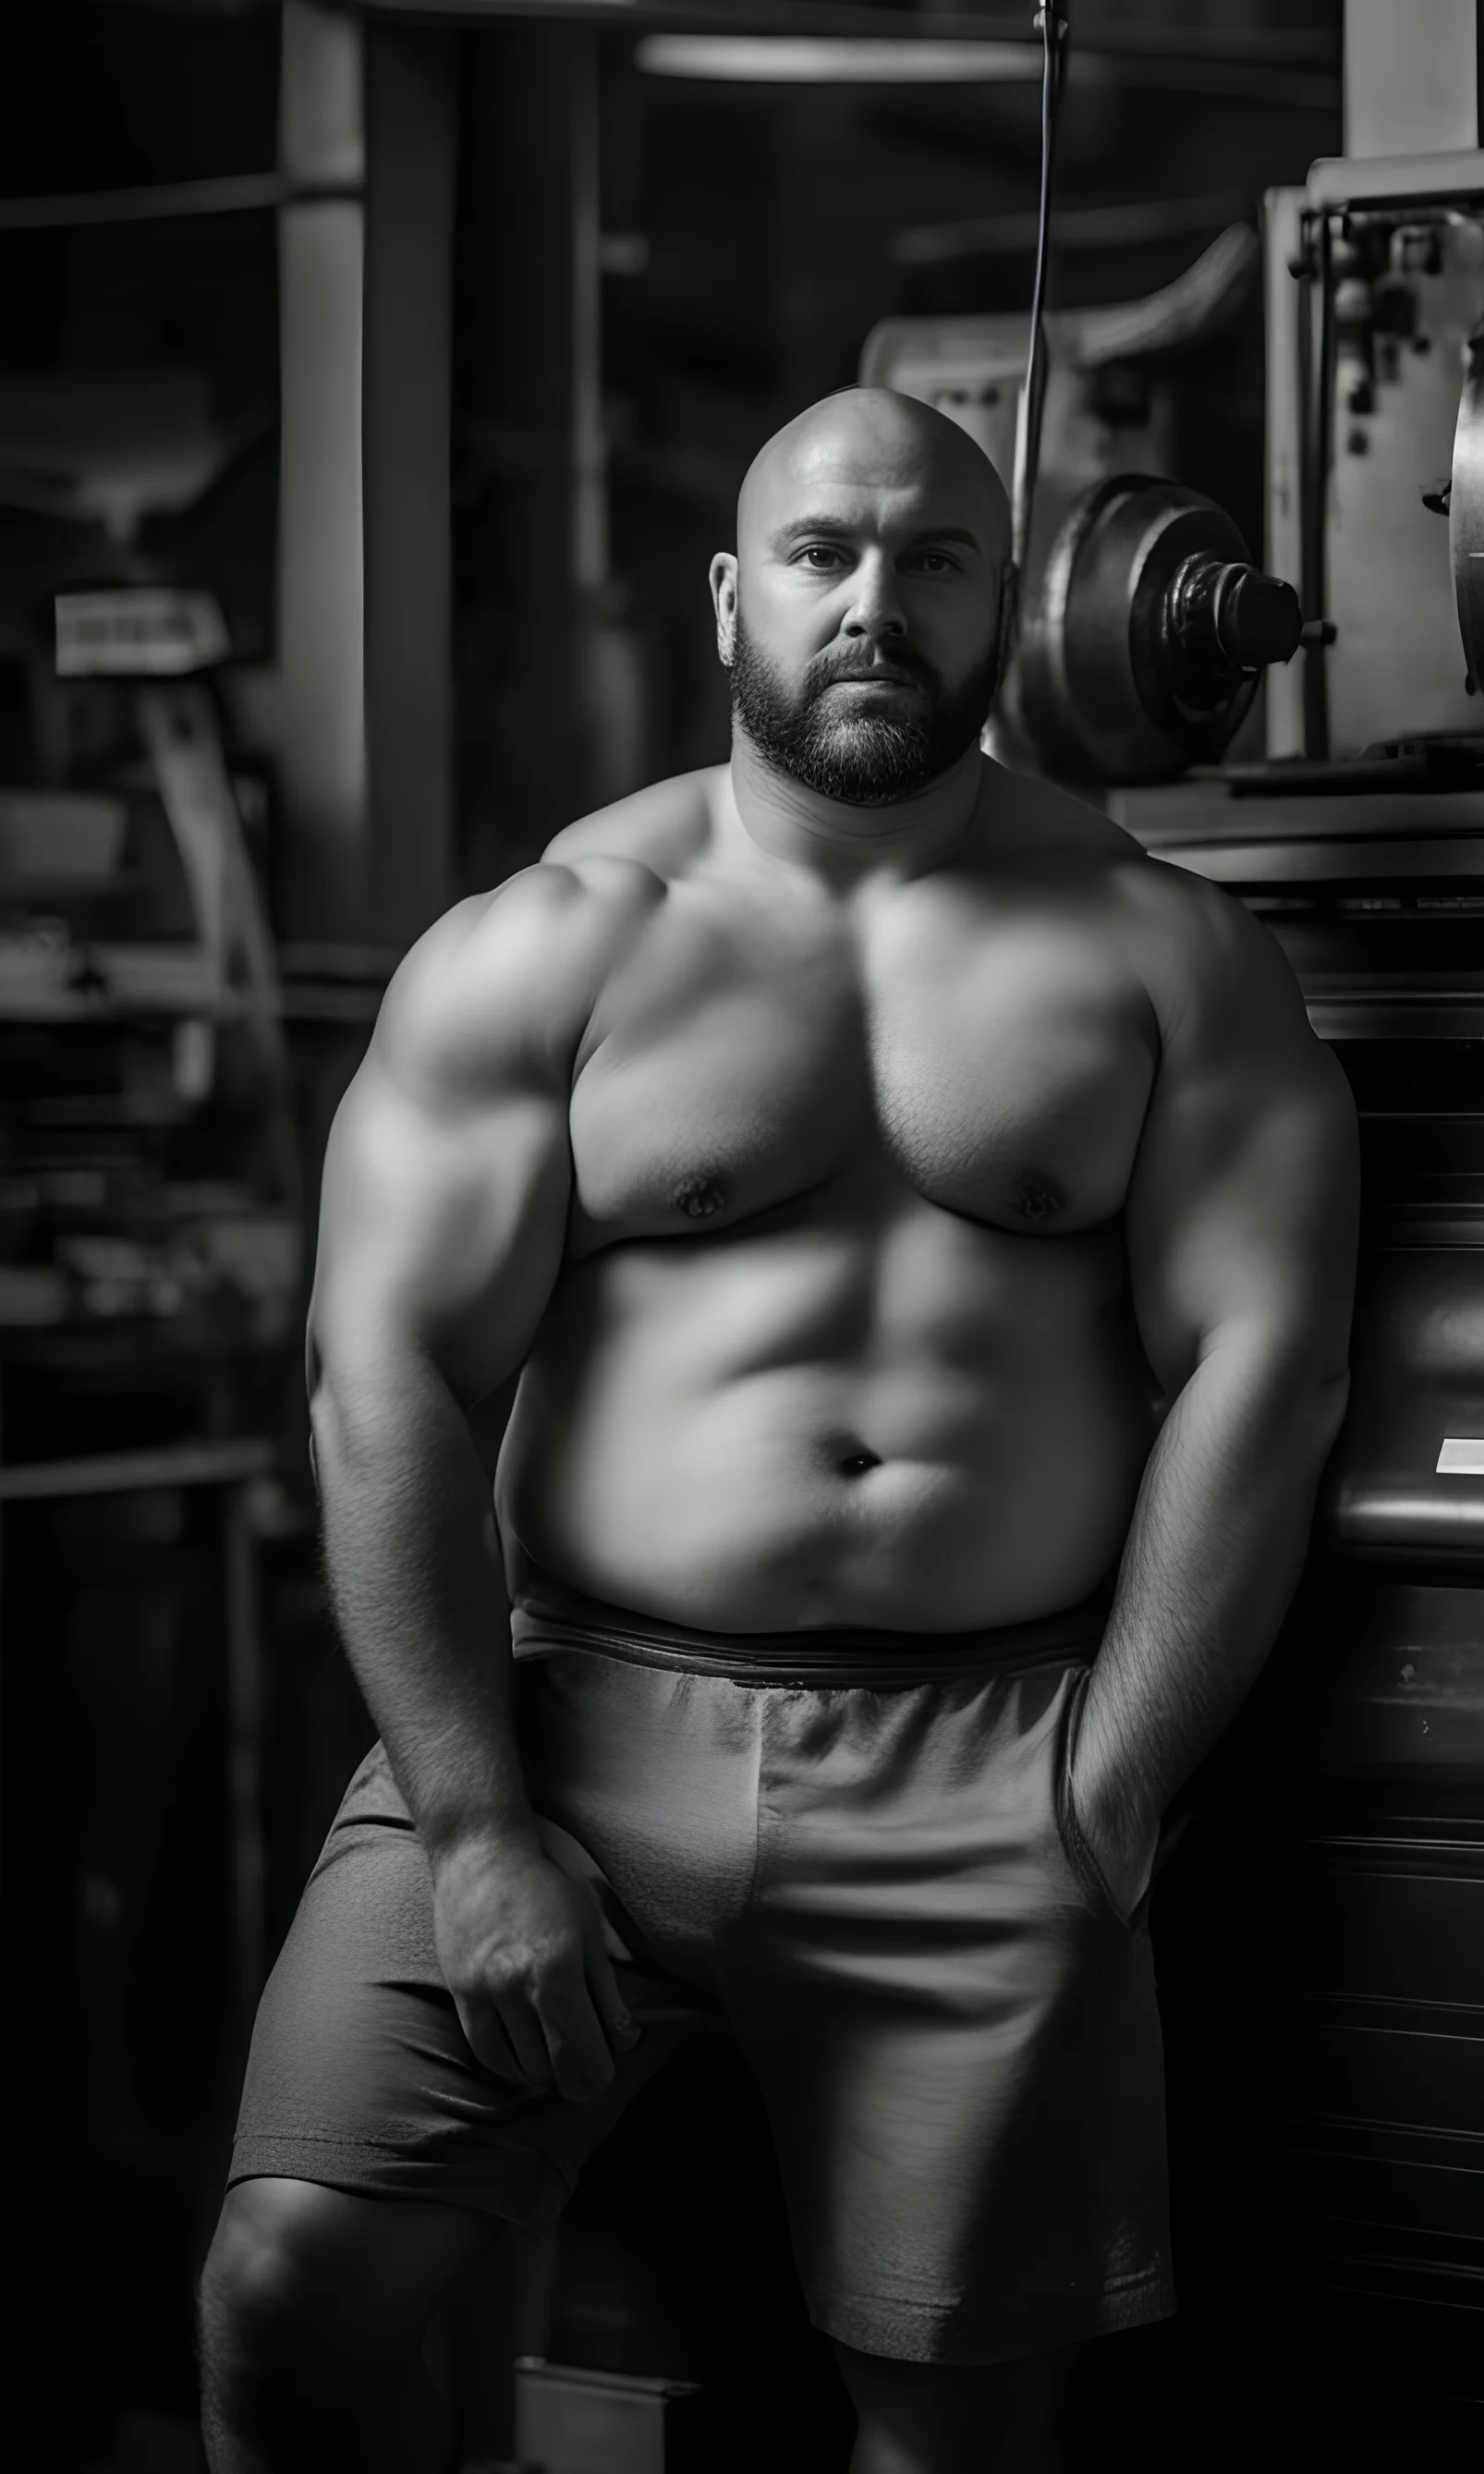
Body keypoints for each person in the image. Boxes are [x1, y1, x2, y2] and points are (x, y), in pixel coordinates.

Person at [199, 384, 1357, 2474]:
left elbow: (1262, 1369)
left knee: (955, 2440)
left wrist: (1112, 1787)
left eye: (931, 562)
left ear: (1001, 603)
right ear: (736, 589)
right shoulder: (558, 942)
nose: (873, 605)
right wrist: (470, 1822)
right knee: (285, 2296)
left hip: (985, 1750)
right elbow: (388, 1376)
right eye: (825, 553)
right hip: (559, 1715)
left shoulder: (1166, 956)